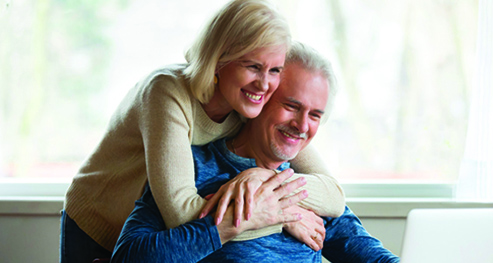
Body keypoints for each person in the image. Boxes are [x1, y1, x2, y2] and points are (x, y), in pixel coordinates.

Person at [61, 1, 344, 262]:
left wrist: (265, 178)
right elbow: (182, 214)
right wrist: (281, 217)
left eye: (274, 70)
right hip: (97, 220)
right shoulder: (167, 92)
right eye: (253, 66)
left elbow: (333, 194)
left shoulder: (249, 105)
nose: (264, 84)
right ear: (220, 58)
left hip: (155, 232)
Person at [111, 42, 399, 263]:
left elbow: (373, 257)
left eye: (315, 116)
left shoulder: (308, 188)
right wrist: (250, 217)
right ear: (260, 97)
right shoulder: (194, 171)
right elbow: (128, 257)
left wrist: (269, 187)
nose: (301, 126)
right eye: (292, 106)